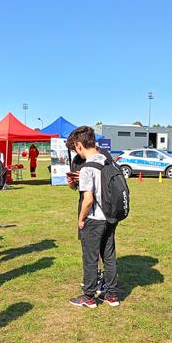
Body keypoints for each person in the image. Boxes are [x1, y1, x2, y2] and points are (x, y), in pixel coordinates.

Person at [68, 126, 119, 308]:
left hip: (94, 218)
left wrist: (81, 219)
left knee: (90, 258)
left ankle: (89, 296)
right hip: (110, 216)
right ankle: (112, 294)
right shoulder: (108, 161)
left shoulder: (87, 168)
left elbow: (88, 200)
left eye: (76, 148)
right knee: (109, 255)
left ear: (79, 145)